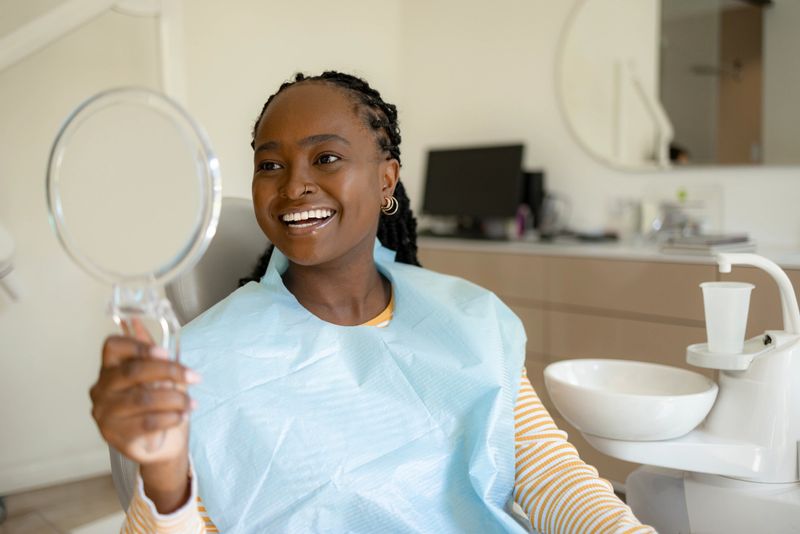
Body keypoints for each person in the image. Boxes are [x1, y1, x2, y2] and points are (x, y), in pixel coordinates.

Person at [90, 72, 654, 533]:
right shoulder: (197, 363)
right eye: (270, 164)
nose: (293, 186)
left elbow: (552, 478)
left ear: (387, 180)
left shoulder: (469, 321)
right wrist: (165, 484)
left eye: (326, 158)